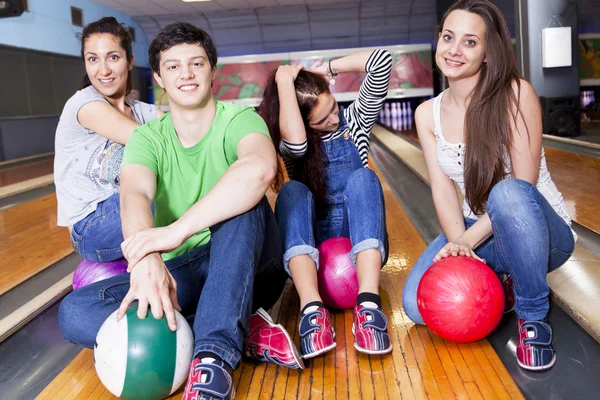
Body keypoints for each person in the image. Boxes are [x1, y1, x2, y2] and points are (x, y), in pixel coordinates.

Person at [58, 22, 294, 400]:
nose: (185, 74)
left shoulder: (239, 120)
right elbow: (133, 192)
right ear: (159, 78)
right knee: (75, 312)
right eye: (173, 66)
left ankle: (213, 357)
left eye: (196, 64)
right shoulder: (149, 137)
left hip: (249, 261)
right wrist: (146, 255)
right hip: (185, 269)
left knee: (241, 203)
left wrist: (173, 232)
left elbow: (260, 170)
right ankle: (238, 323)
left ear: (213, 71)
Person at [401, 0, 575, 372]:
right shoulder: (426, 114)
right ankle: (503, 280)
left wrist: (467, 241)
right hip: (475, 229)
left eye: (469, 42)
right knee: (416, 307)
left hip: (541, 232)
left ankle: (533, 319)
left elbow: (523, 184)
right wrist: (458, 245)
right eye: (448, 37)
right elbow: (443, 189)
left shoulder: (515, 94)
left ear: (487, 52)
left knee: (507, 193)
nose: (453, 50)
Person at [259, 48, 394, 358]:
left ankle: (369, 308)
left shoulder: (355, 125)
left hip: (360, 240)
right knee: (292, 191)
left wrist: (327, 69)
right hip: (311, 253)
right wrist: (283, 80)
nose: (335, 118)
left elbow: (382, 61)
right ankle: (312, 312)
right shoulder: (293, 149)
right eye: (322, 120)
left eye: (333, 107)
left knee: (364, 178)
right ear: (303, 123)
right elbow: (296, 141)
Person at [54, 17, 161, 262]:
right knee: (172, 195)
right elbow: (151, 142)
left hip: (130, 210)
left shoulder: (145, 111)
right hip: (91, 228)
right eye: (93, 59)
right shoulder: (83, 104)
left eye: (113, 57)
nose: (103, 70)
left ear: (130, 61)